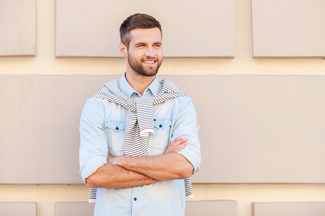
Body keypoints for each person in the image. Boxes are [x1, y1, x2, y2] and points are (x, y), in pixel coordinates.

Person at [79, 13, 201, 216]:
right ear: (123, 50)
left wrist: (120, 161)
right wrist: (163, 167)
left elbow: (183, 167)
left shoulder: (179, 104)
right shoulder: (98, 105)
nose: (151, 53)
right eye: (141, 45)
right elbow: (94, 175)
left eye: (157, 45)